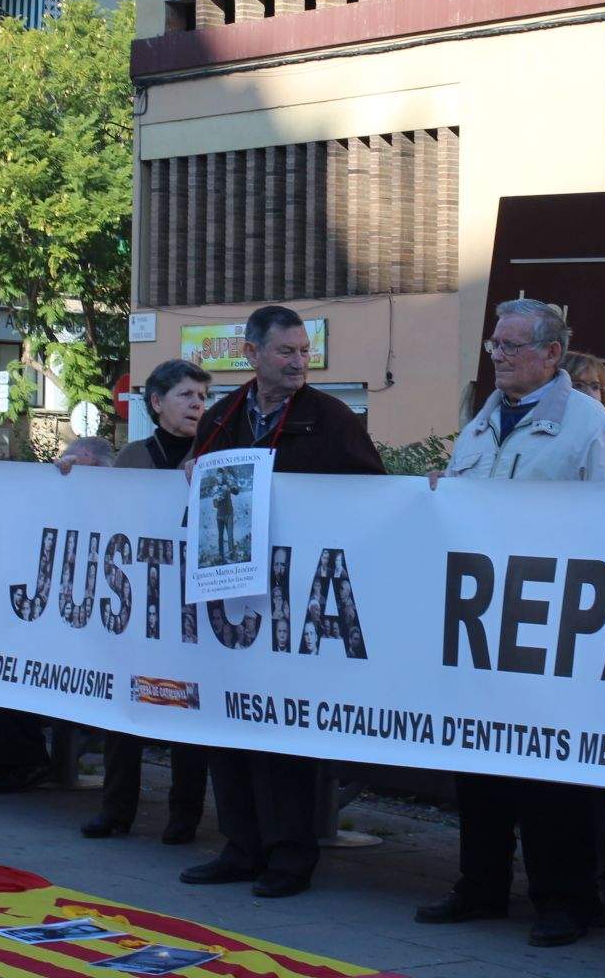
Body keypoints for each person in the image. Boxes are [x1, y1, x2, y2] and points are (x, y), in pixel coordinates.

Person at [415, 299, 605, 947]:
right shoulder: (484, 421)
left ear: (552, 355)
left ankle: (567, 902)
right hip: (483, 628)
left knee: (550, 780)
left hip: (554, 630)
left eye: (511, 346)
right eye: (494, 346)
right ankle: (480, 886)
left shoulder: (588, 426)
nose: (498, 356)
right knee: (479, 769)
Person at [179, 305, 383, 899]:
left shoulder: (331, 418)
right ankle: (240, 848)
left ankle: (290, 859)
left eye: (304, 352)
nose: (299, 363)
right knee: (228, 726)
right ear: (251, 354)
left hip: (300, 603)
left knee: (281, 735)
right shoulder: (221, 416)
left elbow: (369, 497)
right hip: (232, 600)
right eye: (286, 352)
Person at [83, 359, 213, 844]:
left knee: (187, 712)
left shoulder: (217, 453)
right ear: (157, 403)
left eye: (203, 397)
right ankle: (116, 811)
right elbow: (100, 513)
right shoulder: (134, 456)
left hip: (191, 608)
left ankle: (184, 818)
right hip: (136, 603)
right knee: (124, 711)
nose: (198, 405)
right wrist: (73, 475)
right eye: (186, 395)